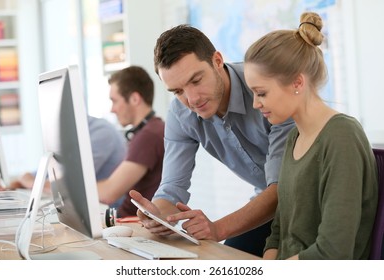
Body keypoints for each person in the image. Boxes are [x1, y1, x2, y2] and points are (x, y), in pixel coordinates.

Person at [129, 24, 295, 256]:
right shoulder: (181, 113)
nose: (192, 99)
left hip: (310, 197)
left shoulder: (264, 90)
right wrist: (157, 214)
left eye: (196, 80)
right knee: (226, 259)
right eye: (177, 91)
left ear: (217, 61)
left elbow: (283, 187)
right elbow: (172, 189)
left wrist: (217, 228)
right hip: (271, 205)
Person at [243, 12, 378, 259]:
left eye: (261, 93)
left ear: (297, 83)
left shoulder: (342, 137)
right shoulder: (294, 137)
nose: (255, 104)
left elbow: (334, 251)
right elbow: (278, 230)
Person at [8, 115, 127, 209]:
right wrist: (32, 182)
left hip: (104, 211)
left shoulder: (102, 133)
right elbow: (30, 175)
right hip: (78, 206)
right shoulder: (67, 134)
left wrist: (35, 183)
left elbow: (65, 182)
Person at [96, 66, 165, 218]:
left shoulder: (149, 135)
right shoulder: (152, 129)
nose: (112, 109)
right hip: (127, 221)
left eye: (114, 101)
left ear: (134, 99)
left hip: (132, 226)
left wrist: (67, 191)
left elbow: (109, 193)